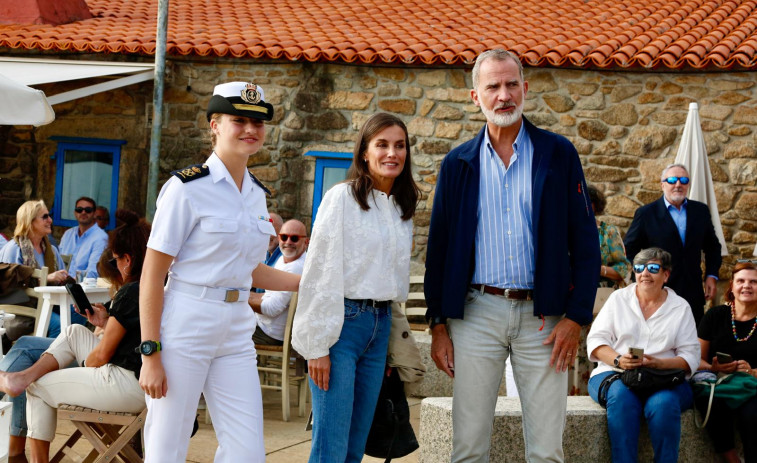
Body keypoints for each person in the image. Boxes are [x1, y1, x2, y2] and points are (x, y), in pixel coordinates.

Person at [423, 48, 600, 462]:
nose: (503, 95)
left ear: (526, 88)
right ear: (475, 97)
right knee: (467, 448)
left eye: (511, 84)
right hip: (475, 315)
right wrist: (437, 325)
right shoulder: (457, 163)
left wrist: (575, 318)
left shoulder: (559, 154)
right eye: (493, 86)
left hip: (545, 319)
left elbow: (586, 244)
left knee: (546, 450)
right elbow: (439, 249)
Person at [138, 82, 300, 463]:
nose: (251, 130)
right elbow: (151, 275)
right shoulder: (186, 188)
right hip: (187, 321)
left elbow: (250, 270)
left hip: (236, 327)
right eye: (238, 120)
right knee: (167, 444)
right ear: (214, 124)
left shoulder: (256, 194)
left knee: (247, 451)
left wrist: (309, 281)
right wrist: (150, 353)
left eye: (258, 123)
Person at [292, 112, 419, 462]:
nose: (391, 153)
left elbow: (392, 281)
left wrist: (392, 342)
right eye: (382, 145)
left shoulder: (402, 206)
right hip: (341, 327)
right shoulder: (342, 198)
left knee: (356, 445)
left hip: (379, 329)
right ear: (364, 152)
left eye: (399, 145)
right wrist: (317, 346)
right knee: (331, 446)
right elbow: (320, 270)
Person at [0, 209, 150, 463]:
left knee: (37, 388)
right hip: (139, 376)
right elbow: (133, 331)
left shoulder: (131, 292)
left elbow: (101, 356)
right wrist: (105, 321)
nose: (115, 268)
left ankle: (33, 453)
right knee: (74, 331)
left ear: (127, 259)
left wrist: (85, 366)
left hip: (126, 384)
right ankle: (22, 377)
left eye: (114, 261)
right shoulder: (150, 286)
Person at [587, 247, 700, 463]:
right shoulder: (618, 299)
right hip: (615, 372)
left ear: (666, 275)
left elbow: (691, 357)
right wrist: (619, 360)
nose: (644, 273)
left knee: (663, 404)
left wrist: (659, 363)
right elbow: (596, 341)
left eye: (653, 268)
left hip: (664, 378)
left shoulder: (680, 307)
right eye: (639, 268)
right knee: (621, 399)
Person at [624, 163, 722, 324]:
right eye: (672, 180)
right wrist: (645, 274)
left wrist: (711, 275)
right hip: (657, 290)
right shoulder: (646, 214)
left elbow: (713, 247)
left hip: (692, 291)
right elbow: (629, 249)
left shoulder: (701, 211)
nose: (678, 184)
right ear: (662, 185)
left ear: (688, 184)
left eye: (683, 180)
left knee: (691, 340)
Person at [570, 185, 632, 395]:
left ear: (594, 205)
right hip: (569, 301)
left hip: (601, 304)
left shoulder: (608, 232)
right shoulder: (563, 230)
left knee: (598, 346)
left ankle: (599, 391)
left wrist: (597, 269)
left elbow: (624, 268)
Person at [695, 260, 757, 463]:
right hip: (718, 384)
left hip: (752, 387)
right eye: (741, 281)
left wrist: (751, 371)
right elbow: (696, 359)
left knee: (752, 415)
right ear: (732, 285)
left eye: (753, 282)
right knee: (710, 403)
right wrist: (713, 367)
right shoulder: (715, 316)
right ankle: (732, 460)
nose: (746, 286)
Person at [0, 200, 70, 341]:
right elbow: (9, 289)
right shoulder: (14, 248)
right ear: (30, 221)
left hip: (50, 305)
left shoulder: (51, 250)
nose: (50, 220)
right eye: (44, 217)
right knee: (61, 325)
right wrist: (45, 279)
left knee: (80, 313)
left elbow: (64, 279)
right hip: (20, 313)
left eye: (49, 216)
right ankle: (46, 360)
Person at [248, 219, 308, 346]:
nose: (288, 242)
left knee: (223, 331)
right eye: (284, 237)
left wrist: (240, 297)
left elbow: (271, 308)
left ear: (306, 242)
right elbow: (268, 296)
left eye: (294, 238)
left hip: (269, 333)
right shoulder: (285, 259)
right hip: (263, 325)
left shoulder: (295, 267)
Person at [59, 196, 108, 279]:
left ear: (94, 213)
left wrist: (71, 282)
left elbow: (93, 273)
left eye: (88, 210)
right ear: (75, 212)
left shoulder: (101, 237)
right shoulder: (68, 234)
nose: (83, 212)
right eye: (79, 210)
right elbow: (58, 262)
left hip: (83, 289)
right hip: (60, 284)